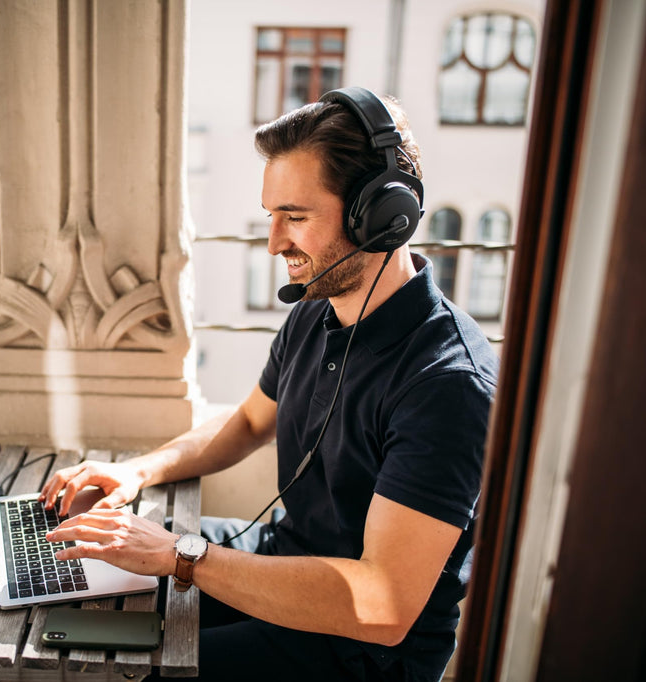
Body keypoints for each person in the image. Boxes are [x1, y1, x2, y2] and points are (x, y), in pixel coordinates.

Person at [40, 87, 498, 682]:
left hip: (359, 652)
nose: (275, 242)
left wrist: (180, 555)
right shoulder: (318, 307)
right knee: (83, 570)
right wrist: (137, 472)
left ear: (383, 215)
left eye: (297, 217)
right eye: (272, 216)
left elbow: (381, 604)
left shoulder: (448, 385)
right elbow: (252, 422)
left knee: (129, 666)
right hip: (283, 556)